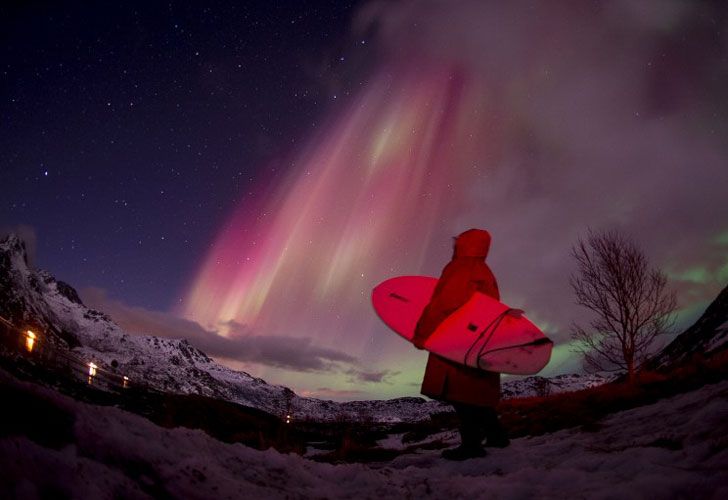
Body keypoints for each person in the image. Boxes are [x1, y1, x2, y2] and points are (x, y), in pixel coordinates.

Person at [413, 228, 510, 460]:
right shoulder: (484, 271)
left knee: (461, 396)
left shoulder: (460, 268)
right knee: (475, 392)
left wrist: (423, 335)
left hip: (456, 342)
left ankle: (471, 446)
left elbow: (444, 305)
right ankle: (496, 435)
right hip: (479, 340)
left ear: (463, 246)